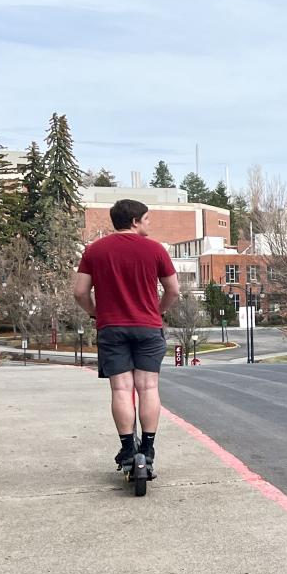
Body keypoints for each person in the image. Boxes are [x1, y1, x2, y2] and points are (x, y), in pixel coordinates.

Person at [72, 199, 180, 472]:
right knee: (148, 388)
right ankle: (148, 446)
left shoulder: (94, 251)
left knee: (121, 389)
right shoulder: (156, 250)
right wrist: (157, 312)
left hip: (112, 328)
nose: (149, 223)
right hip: (148, 327)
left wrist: (95, 313)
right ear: (134, 221)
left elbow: (79, 293)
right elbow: (173, 291)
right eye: (147, 219)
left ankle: (128, 448)